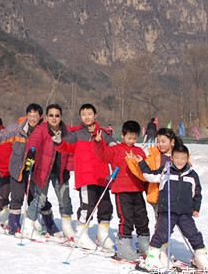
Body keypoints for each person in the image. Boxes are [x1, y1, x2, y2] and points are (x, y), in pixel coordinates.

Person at [132, 144, 208, 271]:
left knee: (194, 235)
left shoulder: (192, 175)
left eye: (183, 158)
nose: (180, 161)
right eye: (177, 158)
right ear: (172, 158)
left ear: (188, 158)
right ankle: (151, 259)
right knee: (161, 235)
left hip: (185, 213)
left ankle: (200, 258)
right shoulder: (165, 171)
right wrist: (142, 163)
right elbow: (149, 175)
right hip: (167, 211)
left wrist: (196, 208)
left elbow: (197, 193)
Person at [0, 104, 44, 235]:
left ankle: (36, 222)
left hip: (33, 168)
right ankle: (11, 224)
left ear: (40, 117)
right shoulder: (14, 130)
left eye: (35, 116)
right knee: (12, 197)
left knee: (35, 196)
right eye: (30, 115)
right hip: (13, 169)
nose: (32, 118)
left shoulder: (43, 129)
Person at [54, 103, 117, 250]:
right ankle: (81, 234)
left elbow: (114, 148)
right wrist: (59, 142)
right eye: (83, 114)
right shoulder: (76, 133)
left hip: (102, 176)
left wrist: (116, 146)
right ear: (80, 117)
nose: (87, 117)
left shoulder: (103, 133)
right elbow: (65, 146)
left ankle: (103, 236)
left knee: (106, 206)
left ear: (95, 115)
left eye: (89, 114)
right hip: (86, 176)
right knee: (87, 206)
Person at [94, 120, 150, 261]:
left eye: (134, 138)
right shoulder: (117, 150)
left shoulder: (139, 151)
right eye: (129, 138)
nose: (131, 141)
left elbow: (145, 169)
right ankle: (124, 246)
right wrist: (99, 143)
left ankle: (144, 244)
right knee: (127, 217)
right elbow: (103, 155)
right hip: (122, 190)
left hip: (137, 190)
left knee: (142, 216)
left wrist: (140, 162)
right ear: (122, 135)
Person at [21, 104, 75, 240]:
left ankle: (67, 229)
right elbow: (34, 141)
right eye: (51, 115)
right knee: (40, 199)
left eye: (57, 115)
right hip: (43, 170)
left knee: (65, 200)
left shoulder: (67, 130)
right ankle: (28, 226)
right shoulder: (41, 129)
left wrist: (68, 168)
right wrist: (31, 152)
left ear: (61, 117)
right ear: (46, 117)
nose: (54, 118)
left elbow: (71, 150)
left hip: (60, 171)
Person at [126, 128, 184, 223]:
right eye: (158, 141)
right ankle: (160, 237)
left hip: (176, 196)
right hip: (158, 196)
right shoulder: (153, 157)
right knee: (161, 223)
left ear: (172, 141)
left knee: (176, 222)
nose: (160, 144)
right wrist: (135, 162)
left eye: (163, 141)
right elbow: (144, 174)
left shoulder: (179, 156)